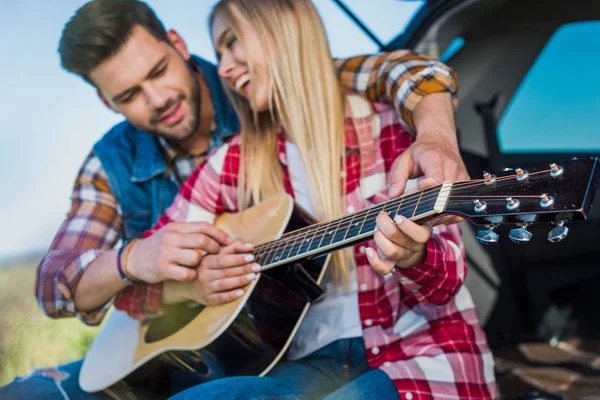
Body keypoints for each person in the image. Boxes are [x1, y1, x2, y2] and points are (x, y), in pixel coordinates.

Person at [0, 0, 469, 398]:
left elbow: (394, 71)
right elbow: (57, 281)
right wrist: (145, 264)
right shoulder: (127, 162)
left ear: (178, 46)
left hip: (356, 346)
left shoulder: (262, 92)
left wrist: (435, 132)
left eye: (159, 71)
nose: (158, 98)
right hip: (224, 349)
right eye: (130, 95)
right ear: (109, 103)